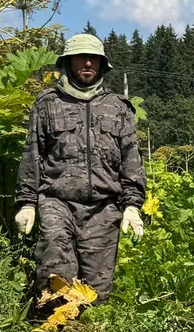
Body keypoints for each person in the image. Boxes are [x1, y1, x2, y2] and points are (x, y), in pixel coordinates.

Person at [14, 33, 145, 308]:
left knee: (95, 294)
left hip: (103, 207)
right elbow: (33, 154)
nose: (87, 63)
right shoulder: (47, 104)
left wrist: (132, 205)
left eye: (94, 59)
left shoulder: (118, 108)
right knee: (55, 272)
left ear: (101, 64)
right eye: (81, 58)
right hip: (56, 201)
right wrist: (27, 203)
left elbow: (131, 159)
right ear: (68, 62)